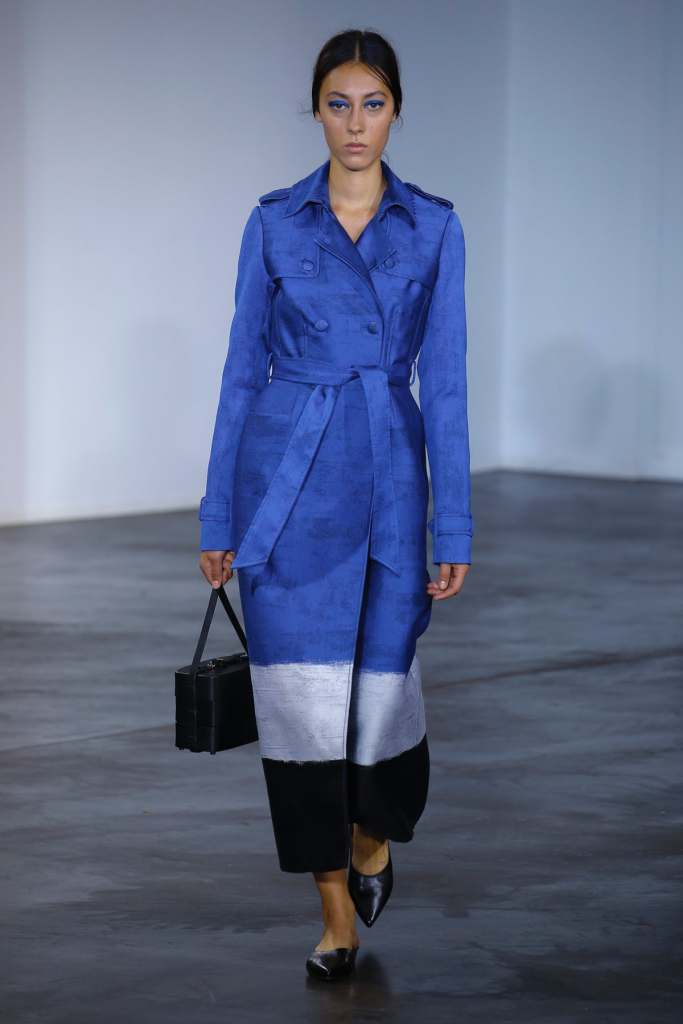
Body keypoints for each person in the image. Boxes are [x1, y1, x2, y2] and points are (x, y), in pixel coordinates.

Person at [197, 28, 473, 981]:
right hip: (284, 487)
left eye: (373, 104)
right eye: (337, 104)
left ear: (396, 112)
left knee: (381, 698)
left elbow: (447, 385)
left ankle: (370, 838)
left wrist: (452, 523)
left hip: (389, 483)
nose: (355, 123)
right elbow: (240, 374)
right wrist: (219, 518)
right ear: (315, 111)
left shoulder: (432, 227)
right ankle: (333, 914)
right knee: (300, 712)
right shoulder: (274, 223)